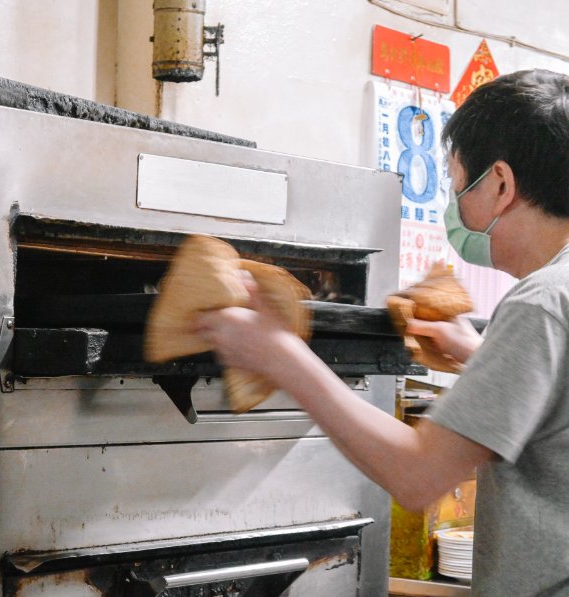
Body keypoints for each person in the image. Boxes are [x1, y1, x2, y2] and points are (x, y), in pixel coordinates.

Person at [196, 68, 569, 596]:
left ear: (502, 184)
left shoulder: (542, 303)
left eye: (458, 184)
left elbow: (418, 476)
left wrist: (281, 355)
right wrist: (481, 356)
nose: (455, 204)